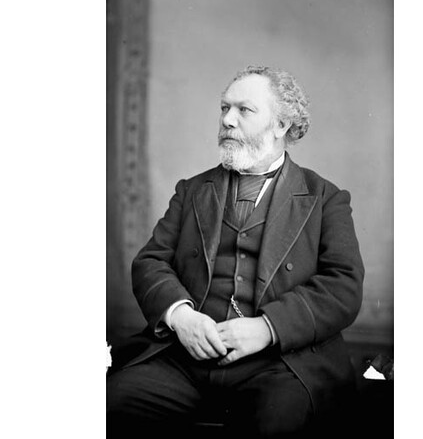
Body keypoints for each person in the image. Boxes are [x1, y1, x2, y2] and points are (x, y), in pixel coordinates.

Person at [107, 65, 365, 438]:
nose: (227, 120)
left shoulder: (325, 198)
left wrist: (267, 329)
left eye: (244, 110)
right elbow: (151, 262)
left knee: (279, 421)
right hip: (185, 357)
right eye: (225, 108)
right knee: (111, 404)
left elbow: (343, 286)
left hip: (279, 362)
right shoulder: (192, 190)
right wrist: (182, 318)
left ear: (281, 125)